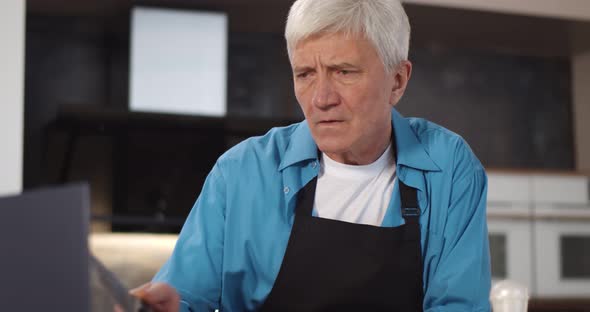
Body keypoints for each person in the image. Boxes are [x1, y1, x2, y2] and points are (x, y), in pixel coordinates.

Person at [130, 0, 491, 311]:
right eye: (305, 74)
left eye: (344, 72)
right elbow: (184, 297)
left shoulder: (448, 168)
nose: (321, 98)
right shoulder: (241, 173)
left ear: (397, 80)